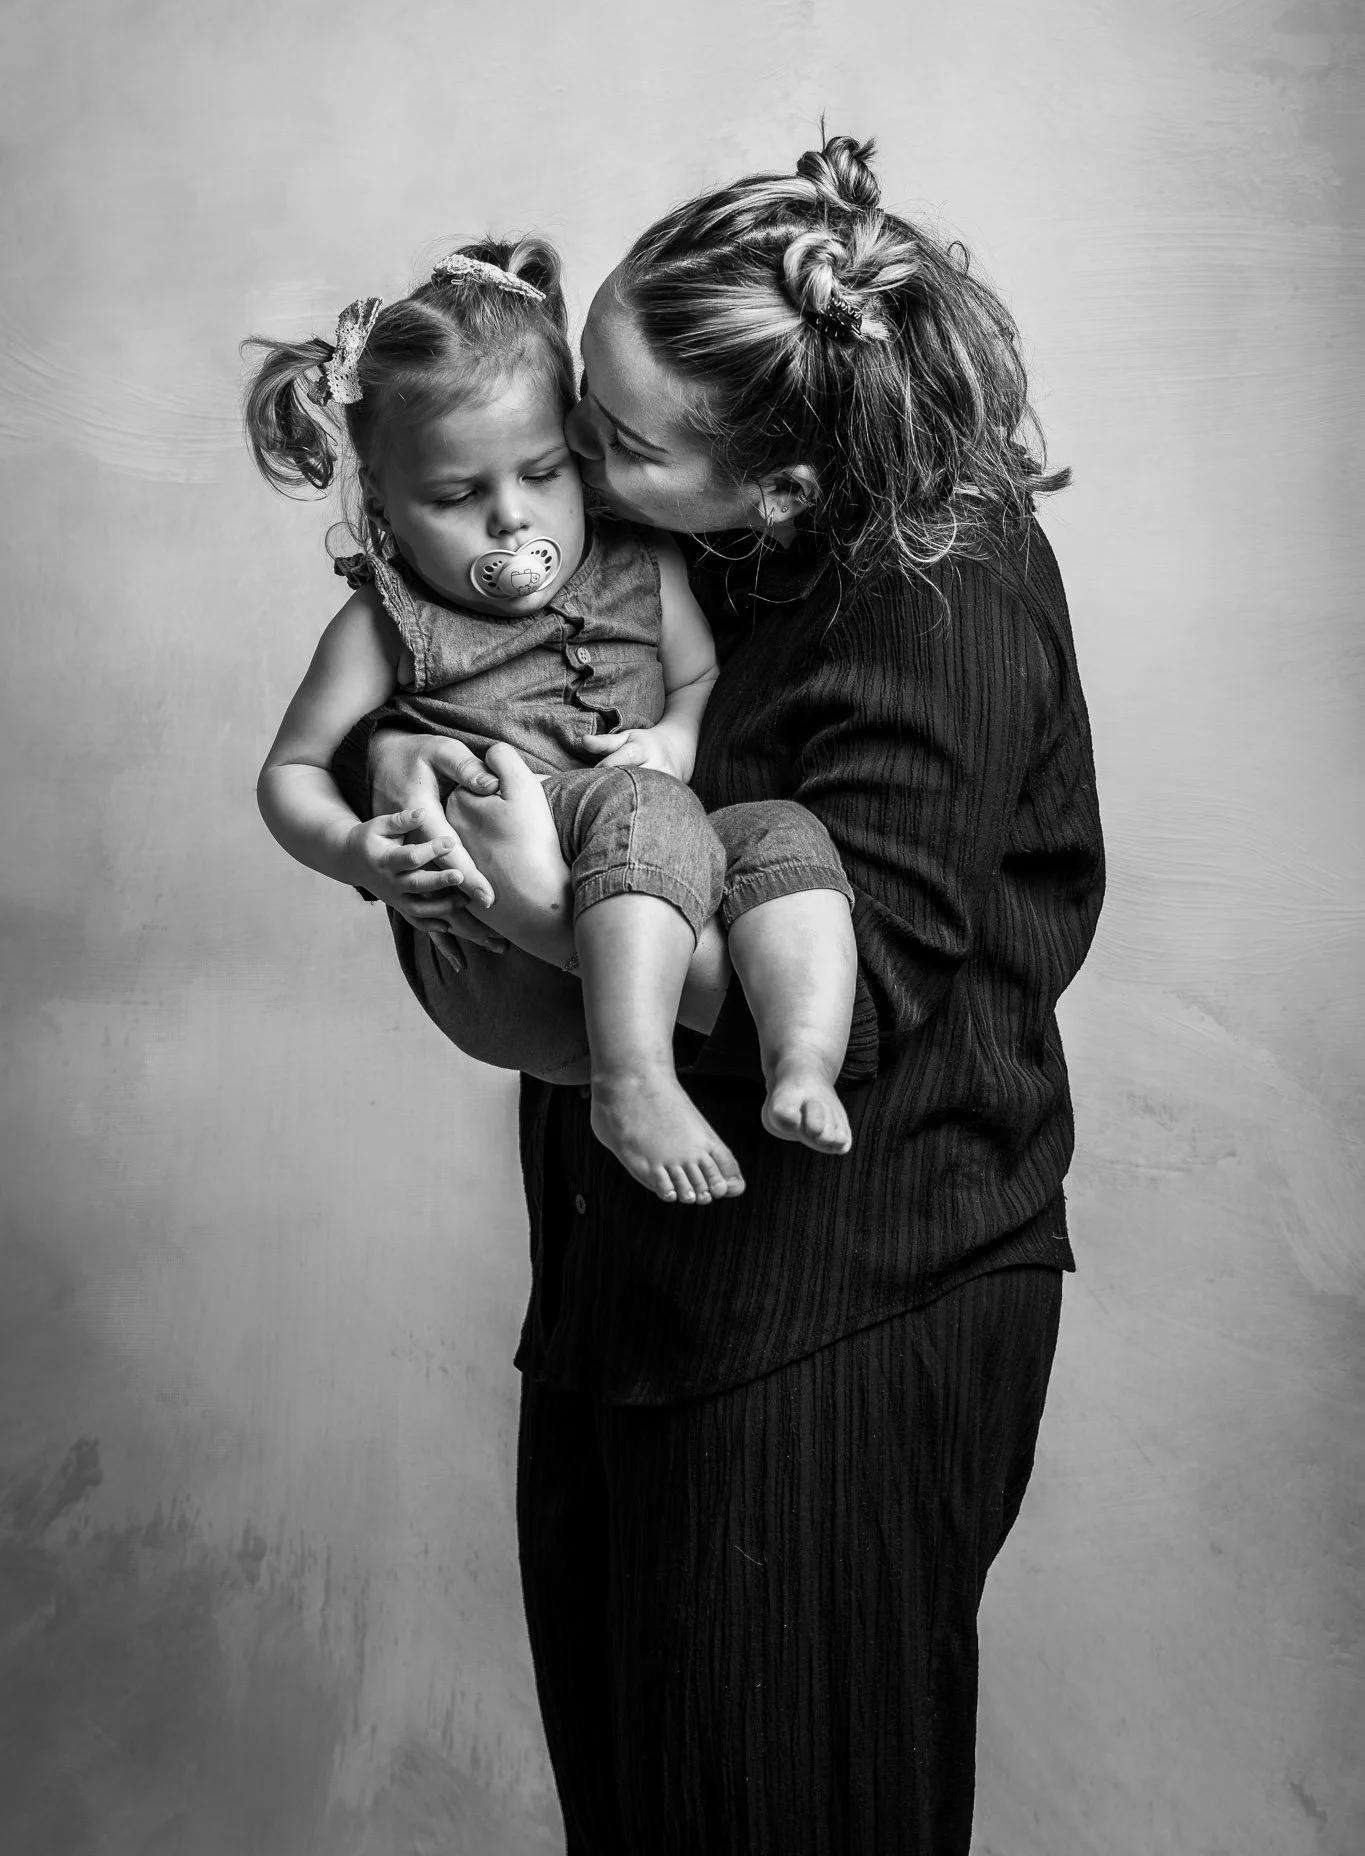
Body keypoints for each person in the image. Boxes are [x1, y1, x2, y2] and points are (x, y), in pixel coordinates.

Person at [339, 137, 1105, 1854]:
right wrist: (404, 762)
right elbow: (479, 679)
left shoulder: (947, 599)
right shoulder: (694, 539)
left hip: (838, 1309)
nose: (573, 470)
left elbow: (861, 994)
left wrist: (542, 910)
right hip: (629, 1287)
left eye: (616, 445)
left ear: (779, 485)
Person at [243, 239, 858, 1206]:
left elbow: (697, 681)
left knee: (781, 834)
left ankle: (802, 1060)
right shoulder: (382, 621)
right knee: (644, 803)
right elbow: (292, 772)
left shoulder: (647, 563)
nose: (510, 519)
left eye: (542, 473)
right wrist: (358, 851)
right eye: (456, 495)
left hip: (657, 902)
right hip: (498, 962)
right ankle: (632, 1082)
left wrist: (672, 741)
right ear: (385, 509)